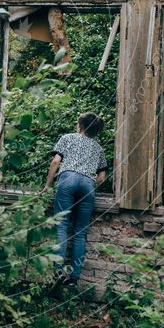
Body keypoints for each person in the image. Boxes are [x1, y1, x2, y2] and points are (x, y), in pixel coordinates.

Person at [43, 112, 107, 287]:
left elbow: (56, 162)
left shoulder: (67, 138)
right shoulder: (99, 149)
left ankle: (58, 272)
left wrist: (48, 185)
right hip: (87, 185)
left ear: (80, 125)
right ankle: (73, 278)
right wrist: (88, 181)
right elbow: (101, 177)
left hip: (67, 180)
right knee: (80, 232)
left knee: (62, 225)